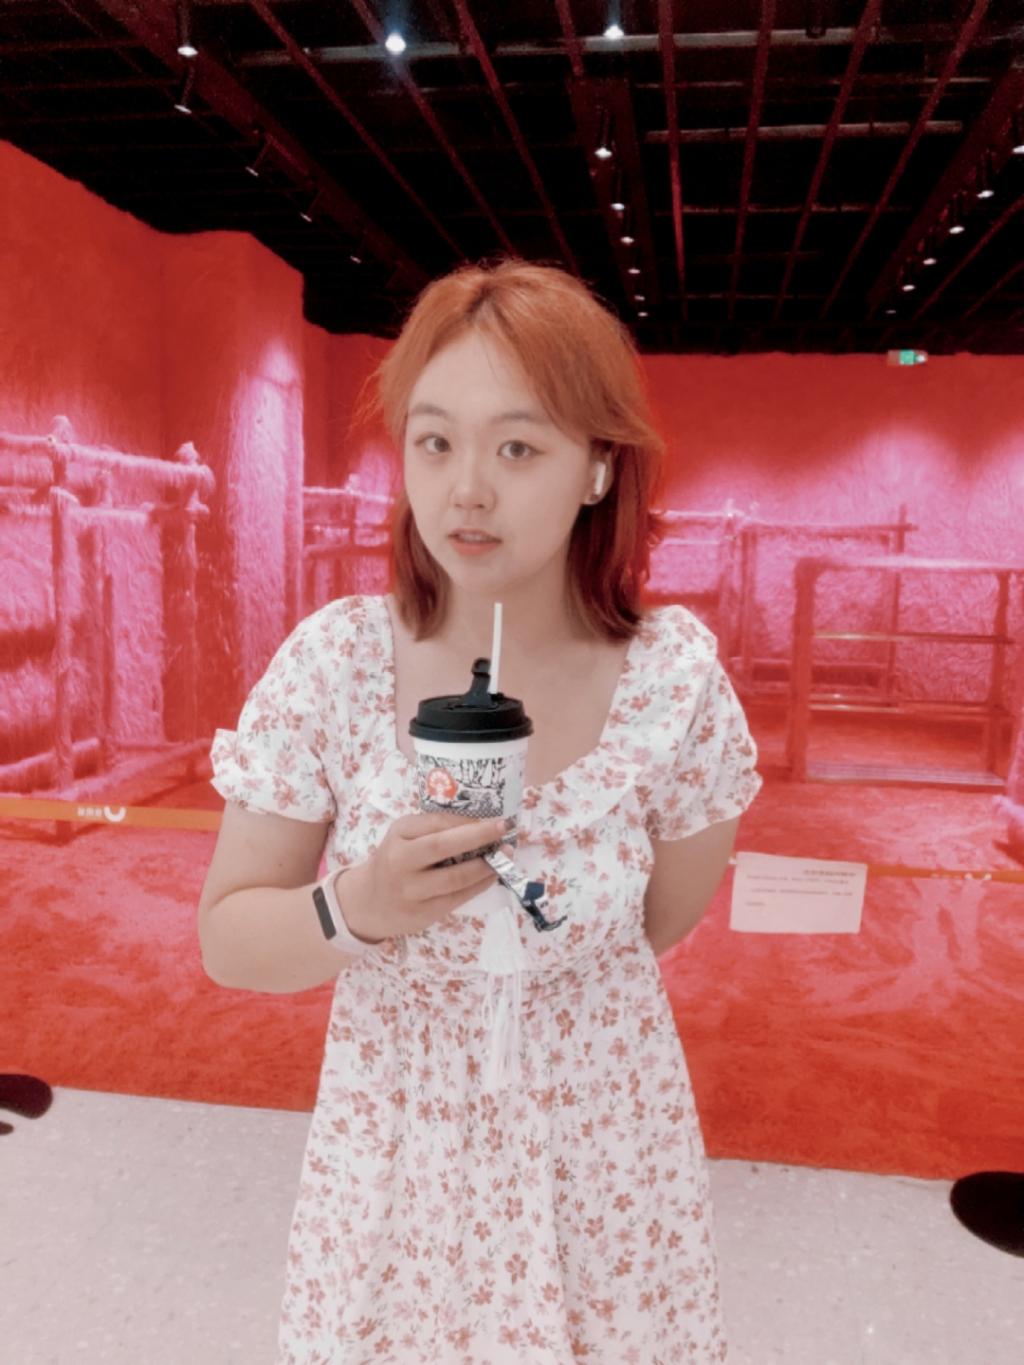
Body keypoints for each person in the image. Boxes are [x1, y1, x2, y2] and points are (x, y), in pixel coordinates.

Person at [198, 259, 763, 1364]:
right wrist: (358, 906)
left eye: (517, 448)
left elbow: (656, 924)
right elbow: (229, 936)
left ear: (598, 466)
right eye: (434, 441)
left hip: (605, 1156)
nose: (466, 489)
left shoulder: (673, 685)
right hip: (394, 1150)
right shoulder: (336, 664)